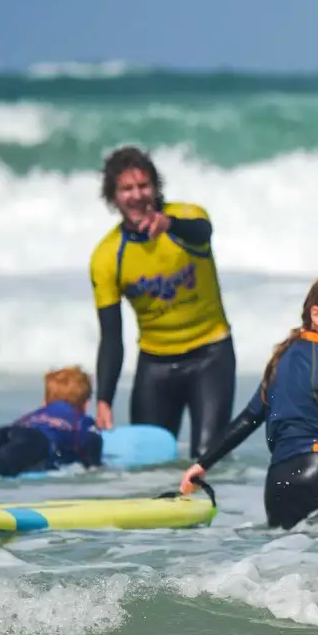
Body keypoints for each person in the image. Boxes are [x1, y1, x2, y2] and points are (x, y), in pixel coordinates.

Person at [177, 275, 318, 529]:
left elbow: (249, 418)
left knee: (283, 563)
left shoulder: (281, 361)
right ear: (317, 315)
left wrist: (202, 464)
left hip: (277, 484)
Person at [89, 145, 236, 459]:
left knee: (207, 458)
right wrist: (104, 399)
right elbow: (111, 337)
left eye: (144, 185)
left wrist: (169, 225)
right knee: (148, 465)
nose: (137, 195)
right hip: (155, 366)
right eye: (126, 188)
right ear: (113, 196)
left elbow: (202, 232)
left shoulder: (186, 217)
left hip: (210, 355)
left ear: (155, 188)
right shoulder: (107, 257)